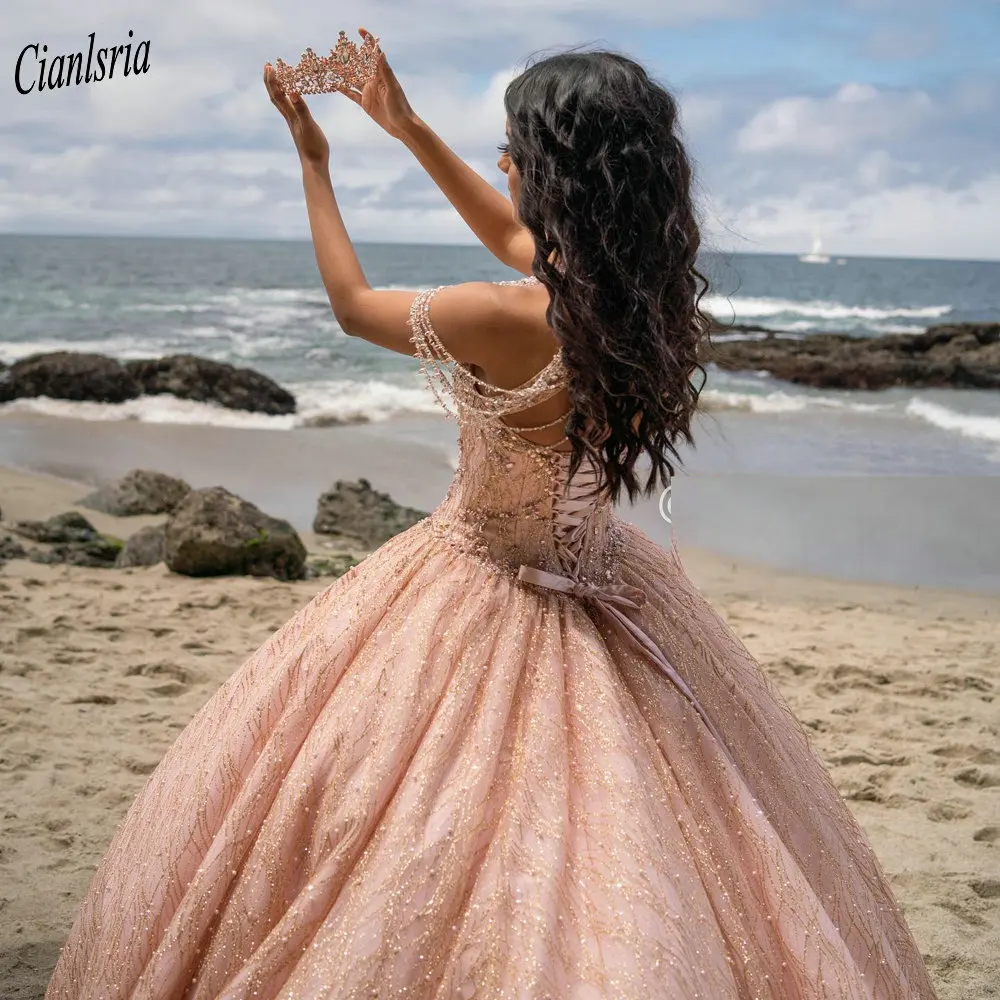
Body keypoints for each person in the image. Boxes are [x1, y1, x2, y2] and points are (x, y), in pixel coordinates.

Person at [46, 31, 939, 1000]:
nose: (503, 161)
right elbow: (517, 238)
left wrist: (315, 161)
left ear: (555, 175)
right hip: (610, 587)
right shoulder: (638, 304)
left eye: (515, 147)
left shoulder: (508, 316)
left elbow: (350, 305)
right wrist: (410, 127)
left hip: (479, 582)